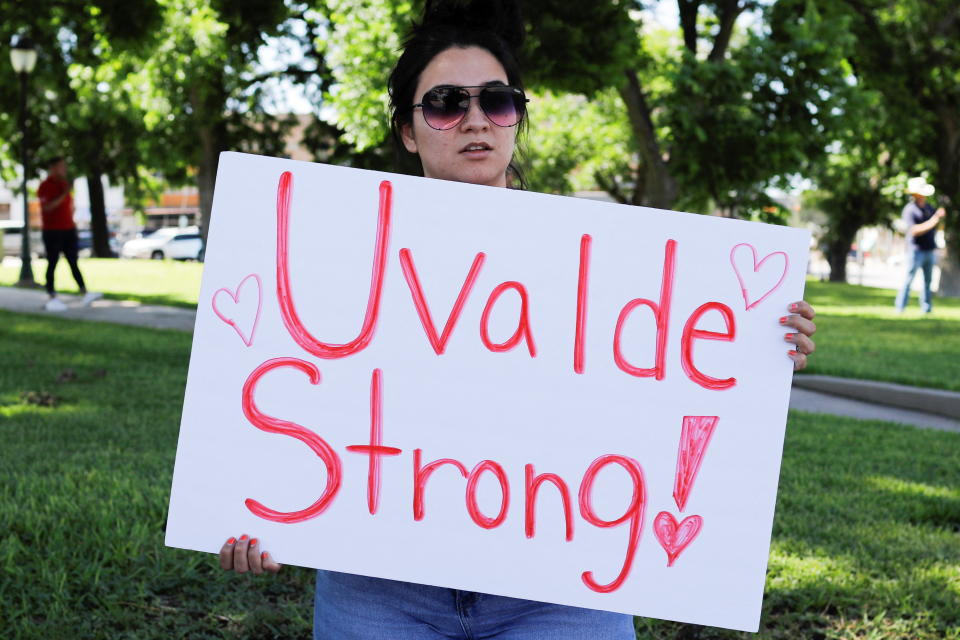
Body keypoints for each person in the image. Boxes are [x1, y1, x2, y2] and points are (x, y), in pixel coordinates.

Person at [215, 1, 818, 637]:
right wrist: (252, 511)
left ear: (516, 118)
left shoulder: (605, 262)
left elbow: (669, 381)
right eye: (446, 103)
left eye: (496, 101)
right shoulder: (333, 250)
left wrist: (760, 348)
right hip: (379, 585)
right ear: (409, 129)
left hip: (562, 584)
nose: (475, 120)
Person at [37, 156, 101, 311]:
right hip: (52, 231)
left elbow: (71, 206)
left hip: (69, 229)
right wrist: (64, 193)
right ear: (52, 168)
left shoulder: (65, 184)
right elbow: (47, 207)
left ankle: (84, 292)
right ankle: (52, 296)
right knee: (52, 262)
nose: (64, 169)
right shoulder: (46, 186)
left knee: (73, 261)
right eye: (61, 166)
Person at [894, 176, 946, 313]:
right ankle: (900, 307)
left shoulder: (929, 208)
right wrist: (934, 221)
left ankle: (927, 308)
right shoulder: (910, 210)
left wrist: (939, 218)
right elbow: (914, 231)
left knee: (928, 282)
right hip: (916, 251)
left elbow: (938, 225)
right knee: (909, 280)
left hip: (929, 249)